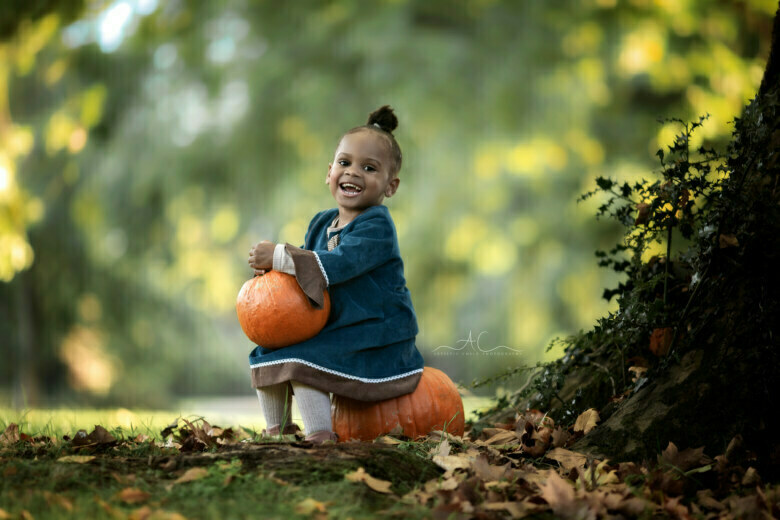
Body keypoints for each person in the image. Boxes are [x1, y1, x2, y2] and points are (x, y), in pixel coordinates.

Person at [247, 105, 424, 443]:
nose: (353, 173)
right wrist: (271, 273)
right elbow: (300, 273)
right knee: (267, 350)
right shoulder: (320, 222)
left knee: (306, 360)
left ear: (391, 185)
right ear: (329, 172)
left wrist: (280, 255)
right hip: (336, 327)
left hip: (376, 333)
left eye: (369, 168)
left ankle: (320, 436)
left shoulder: (376, 225)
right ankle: (278, 434)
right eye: (345, 163)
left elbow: (339, 263)